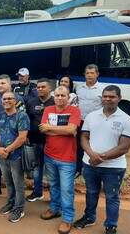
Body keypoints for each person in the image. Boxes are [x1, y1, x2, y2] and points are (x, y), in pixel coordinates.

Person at [74, 85, 130, 234]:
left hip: (114, 167)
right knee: (91, 192)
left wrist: (101, 158)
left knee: (112, 196)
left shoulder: (127, 120)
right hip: (90, 164)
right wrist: (91, 154)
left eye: (112, 96)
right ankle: (89, 217)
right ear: (102, 98)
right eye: (105, 96)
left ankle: (111, 225)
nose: (108, 99)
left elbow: (124, 147)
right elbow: (84, 137)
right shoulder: (91, 116)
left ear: (119, 98)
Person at [39, 86, 81, 234]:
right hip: (49, 155)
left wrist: (52, 129)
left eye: (63, 95)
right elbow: (43, 129)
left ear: (68, 97)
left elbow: (71, 130)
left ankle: (67, 219)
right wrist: (64, 131)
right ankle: (55, 209)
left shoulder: (75, 111)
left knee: (67, 190)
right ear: (53, 96)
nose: (60, 98)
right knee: (54, 185)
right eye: (57, 95)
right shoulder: (48, 109)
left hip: (67, 159)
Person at [0, 74, 25, 198]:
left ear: (10, 84)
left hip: (14, 139)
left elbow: (22, 119)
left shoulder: (18, 99)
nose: (0, 85)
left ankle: (16, 197)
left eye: (3, 83)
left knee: (15, 169)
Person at [0, 91, 29, 223]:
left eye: (9, 98)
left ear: (15, 101)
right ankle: (11, 202)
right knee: (8, 182)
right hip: (2, 155)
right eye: (4, 99)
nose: (6, 101)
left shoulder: (22, 116)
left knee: (18, 183)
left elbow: (22, 138)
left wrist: (7, 150)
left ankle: (19, 209)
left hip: (16, 156)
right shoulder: (0, 115)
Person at [25, 78, 54, 202]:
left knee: (52, 169)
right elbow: (26, 119)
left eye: (43, 87)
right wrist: (25, 135)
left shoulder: (55, 102)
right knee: (37, 167)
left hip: (51, 141)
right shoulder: (31, 102)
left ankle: (55, 197)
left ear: (50, 88)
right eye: (38, 87)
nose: (40, 89)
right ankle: (37, 192)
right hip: (35, 140)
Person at [75, 64, 104, 177]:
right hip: (80, 122)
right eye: (87, 73)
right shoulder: (79, 88)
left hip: (95, 123)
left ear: (97, 74)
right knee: (78, 145)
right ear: (84, 74)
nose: (90, 75)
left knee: (93, 145)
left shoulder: (102, 89)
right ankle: (78, 168)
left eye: (92, 73)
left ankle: (93, 168)